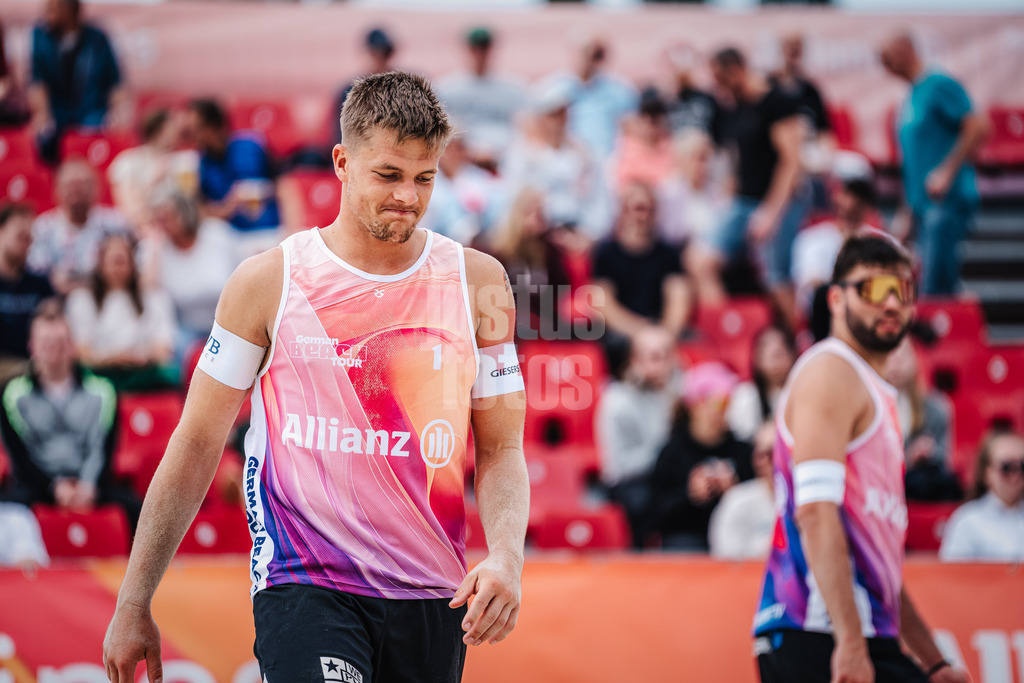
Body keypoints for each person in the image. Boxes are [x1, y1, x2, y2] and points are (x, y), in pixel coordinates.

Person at [103, 72, 529, 683]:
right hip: (305, 582)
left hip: (433, 591)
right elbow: (196, 443)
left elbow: (503, 447)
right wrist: (133, 600)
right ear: (341, 162)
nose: (407, 196)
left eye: (424, 178)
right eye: (388, 175)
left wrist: (508, 557)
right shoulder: (268, 281)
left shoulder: (479, 281)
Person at [753, 232, 969, 683]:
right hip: (817, 631)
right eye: (872, 289)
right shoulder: (832, 372)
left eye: (903, 291)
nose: (891, 303)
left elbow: (876, 566)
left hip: (852, 632)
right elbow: (814, 513)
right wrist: (850, 644)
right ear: (835, 298)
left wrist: (933, 661)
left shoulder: (875, 394)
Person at [688, 47, 808, 328]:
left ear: (736, 70)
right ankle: (728, 334)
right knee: (700, 262)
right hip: (744, 201)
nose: (717, 86)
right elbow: (737, 158)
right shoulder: (736, 107)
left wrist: (771, 213)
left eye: (720, 78)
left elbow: (792, 163)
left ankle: (798, 342)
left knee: (776, 277)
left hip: (780, 200)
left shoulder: (778, 102)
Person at [0, 300, 142, 530]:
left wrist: (87, 485)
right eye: (47, 344)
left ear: (72, 344)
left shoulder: (102, 391)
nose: (54, 352)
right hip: (36, 486)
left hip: (91, 485)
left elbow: (103, 449)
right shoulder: (13, 394)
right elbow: (20, 458)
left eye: (60, 343)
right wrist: (54, 487)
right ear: (32, 346)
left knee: (144, 513)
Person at [880, 32, 990, 297]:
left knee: (936, 290)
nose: (885, 65)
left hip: (945, 204)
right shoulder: (911, 97)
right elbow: (914, 164)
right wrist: (907, 212)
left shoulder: (938, 84)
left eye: (887, 57)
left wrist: (947, 171)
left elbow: (978, 126)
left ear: (906, 50)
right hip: (923, 208)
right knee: (930, 286)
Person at [650, 361, 753, 551]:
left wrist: (735, 492)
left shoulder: (744, 450)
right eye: (719, 402)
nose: (724, 409)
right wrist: (690, 495)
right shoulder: (673, 452)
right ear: (695, 405)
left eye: (729, 401)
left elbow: (761, 501)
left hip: (736, 535)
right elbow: (655, 513)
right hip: (689, 536)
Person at [595, 325, 677, 549]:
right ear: (634, 360)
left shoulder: (678, 391)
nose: (661, 365)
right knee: (643, 500)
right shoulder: (618, 400)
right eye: (653, 357)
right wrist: (665, 453)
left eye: (665, 356)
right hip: (631, 481)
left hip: (667, 475)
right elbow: (617, 467)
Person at [65, 233, 178, 391]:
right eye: (113, 259)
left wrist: (138, 357)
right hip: (100, 376)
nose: (118, 266)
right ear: (100, 262)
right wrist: (117, 358)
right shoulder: (80, 301)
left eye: (123, 259)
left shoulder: (155, 299)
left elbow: (163, 352)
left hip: (144, 375)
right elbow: (82, 355)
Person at [501, 78, 611, 238]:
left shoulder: (586, 155)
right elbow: (514, 199)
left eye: (563, 112)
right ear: (540, 117)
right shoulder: (522, 155)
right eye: (553, 114)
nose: (560, 120)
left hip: (578, 230)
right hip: (538, 233)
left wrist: (589, 234)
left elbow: (599, 201)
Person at [27, 0, 129, 163]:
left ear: (69, 9)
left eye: (53, 8)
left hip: (92, 112)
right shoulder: (40, 36)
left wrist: (119, 114)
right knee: (44, 138)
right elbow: (37, 82)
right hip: (57, 113)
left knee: (101, 138)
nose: (47, 14)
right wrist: (42, 115)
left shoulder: (98, 39)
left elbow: (115, 83)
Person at [140, 185, 239, 353]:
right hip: (186, 333)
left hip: (229, 324)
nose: (164, 223)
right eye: (158, 218)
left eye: (168, 215)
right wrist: (154, 249)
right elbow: (149, 293)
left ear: (185, 211)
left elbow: (243, 279)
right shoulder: (154, 250)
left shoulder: (217, 234)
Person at [592, 183, 692, 343]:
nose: (642, 216)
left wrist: (665, 335)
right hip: (622, 334)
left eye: (649, 209)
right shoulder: (606, 253)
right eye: (638, 208)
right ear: (623, 211)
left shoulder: (669, 254)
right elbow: (602, 302)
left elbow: (678, 295)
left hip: (661, 331)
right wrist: (641, 333)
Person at [185, 98, 281, 256]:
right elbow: (201, 212)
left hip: (270, 229)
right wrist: (229, 206)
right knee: (210, 232)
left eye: (198, 128)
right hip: (232, 238)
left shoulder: (253, 145)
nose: (194, 136)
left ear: (214, 126)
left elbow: (284, 186)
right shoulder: (199, 163)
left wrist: (263, 192)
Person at [27, 158, 133, 294]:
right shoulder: (42, 228)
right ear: (56, 190)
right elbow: (38, 270)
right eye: (70, 186)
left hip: (105, 297)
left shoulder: (115, 223)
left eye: (82, 185)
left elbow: (133, 263)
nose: (76, 191)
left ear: (96, 189)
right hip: (55, 300)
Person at [487, 188, 571, 342]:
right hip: (510, 324)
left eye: (540, 213)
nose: (536, 219)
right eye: (530, 212)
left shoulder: (549, 250)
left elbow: (561, 287)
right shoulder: (499, 251)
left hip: (545, 322)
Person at [885, 338, 961, 502]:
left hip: (920, 489)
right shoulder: (869, 408)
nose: (896, 361)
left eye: (903, 354)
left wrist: (929, 453)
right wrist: (908, 457)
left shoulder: (937, 408)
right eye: (890, 353)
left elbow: (945, 461)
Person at [436, 27, 525, 167]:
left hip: (506, 161)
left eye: (484, 49)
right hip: (464, 161)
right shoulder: (447, 88)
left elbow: (524, 129)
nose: (479, 54)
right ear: (467, 50)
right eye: (475, 49)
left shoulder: (513, 88)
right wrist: (469, 152)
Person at [543, 35, 638, 162]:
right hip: (567, 159)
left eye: (595, 53)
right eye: (584, 52)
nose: (588, 58)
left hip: (608, 159)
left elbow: (633, 127)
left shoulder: (619, 89)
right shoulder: (556, 87)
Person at [792, 177, 877, 315]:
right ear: (838, 199)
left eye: (858, 201)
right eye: (848, 196)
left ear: (866, 206)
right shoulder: (812, 239)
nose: (851, 204)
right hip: (823, 316)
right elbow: (813, 288)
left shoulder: (880, 242)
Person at [939, 428, 1024, 563]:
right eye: (1006, 467)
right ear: (987, 473)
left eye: (1022, 466)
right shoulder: (967, 521)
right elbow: (952, 578)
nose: (1016, 475)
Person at [0, 203, 54, 386]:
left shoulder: (40, 285)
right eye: (20, 237)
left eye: (29, 239)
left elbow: (52, 324)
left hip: (32, 368)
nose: (26, 244)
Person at [107, 108, 186, 231]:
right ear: (161, 129)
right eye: (173, 127)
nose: (178, 133)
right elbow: (128, 212)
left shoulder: (183, 161)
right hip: (141, 230)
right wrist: (154, 180)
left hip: (179, 230)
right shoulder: (127, 162)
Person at [709, 422, 776, 560]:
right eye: (760, 454)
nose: (765, 461)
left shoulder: (805, 502)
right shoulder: (737, 501)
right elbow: (724, 554)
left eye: (773, 453)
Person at [656, 129, 730, 249]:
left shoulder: (716, 192)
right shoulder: (668, 192)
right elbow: (668, 235)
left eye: (708, 158)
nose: (706, 165)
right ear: (683, 160)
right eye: (700, 159)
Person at [727, 324, 797, 444]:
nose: (776, 362)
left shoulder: (801, 392)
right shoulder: (746, 396)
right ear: (756, 358)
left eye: (780, 353)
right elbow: (739, 440)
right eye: (767, 352)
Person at [329, 27, 398, 147]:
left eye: (385, 54)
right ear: (367, 54)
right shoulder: (349, 92)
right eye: (375, 54)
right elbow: (341, 137)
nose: (380, 60)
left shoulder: (404, 89)